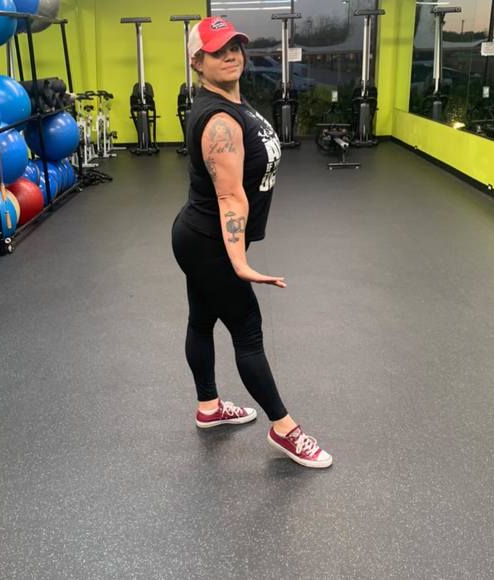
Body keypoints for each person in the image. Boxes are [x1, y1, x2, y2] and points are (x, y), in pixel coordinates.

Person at [171, 16, 332, 469]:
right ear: (197, 61)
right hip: (210, 243)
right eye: (217, 50)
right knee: (248, 332)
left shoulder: (235, 103)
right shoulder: (219, 119)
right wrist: (239, 262)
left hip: (200, 235)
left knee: (202, 319)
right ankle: (285, 429)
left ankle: (209, 408)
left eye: (235, 46)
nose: (230, 55)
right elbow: (230, 196)